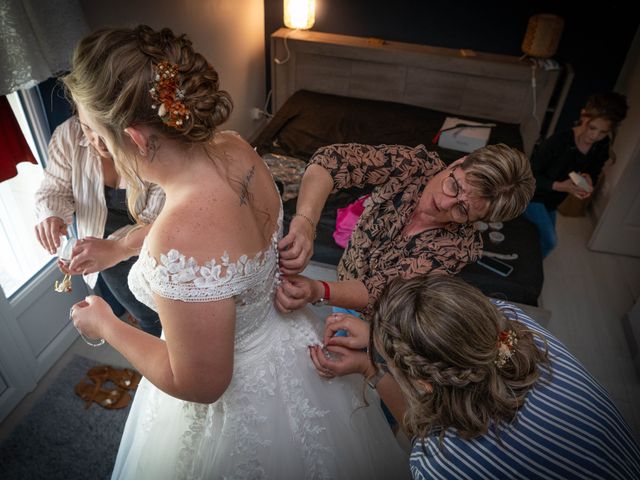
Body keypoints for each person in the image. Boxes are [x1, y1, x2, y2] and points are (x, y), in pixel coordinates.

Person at [67, 25, 409, 479]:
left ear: (135, 137)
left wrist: (106, 325)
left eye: (92, 134)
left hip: (241, 391)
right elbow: (220, 233)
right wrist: (120, 246)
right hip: (288, 337)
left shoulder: (179, 239)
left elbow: (201, 383)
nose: (92, 145)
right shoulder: (235, 148)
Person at [310, 275, 640, 479]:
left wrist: (371, 369)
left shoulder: (449, 465)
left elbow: (422, 434)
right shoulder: (512, 324)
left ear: (424, 386)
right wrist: (378, 346)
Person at [276, 142, 535, 318]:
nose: (443, 204)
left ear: (480, 220)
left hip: (381, 319)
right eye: (454, 186)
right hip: (343, 278)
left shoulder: (457, 248)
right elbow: (332, 161)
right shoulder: (414, 166)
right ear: (458, 162)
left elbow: (379, 291)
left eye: (463, 210)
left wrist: (319, 291)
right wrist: (305, 223)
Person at [34, 113, 165, 337]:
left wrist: (118, 248)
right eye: (87, 128)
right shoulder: (68, 134)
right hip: (107, 262)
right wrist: (51, 215)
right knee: (148, 319)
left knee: (173, 319)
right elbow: (54, 188)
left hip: (159, 249)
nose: (97, 140)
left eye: (104, 128)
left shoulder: (154, 140)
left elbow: (162, 220)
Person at [524, 92, 628, 257]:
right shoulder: (558, 142)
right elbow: (527, 179)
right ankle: (530, 269)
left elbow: (594, 171)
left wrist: (588, 181)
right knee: (551, 241)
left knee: (540, 237)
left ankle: (530, 260)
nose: (594, 136)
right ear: (583, 115)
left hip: (551, 201)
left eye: (602, 132)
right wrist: (560, 186)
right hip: (530, 196)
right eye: (592, 127)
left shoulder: (601, 145)